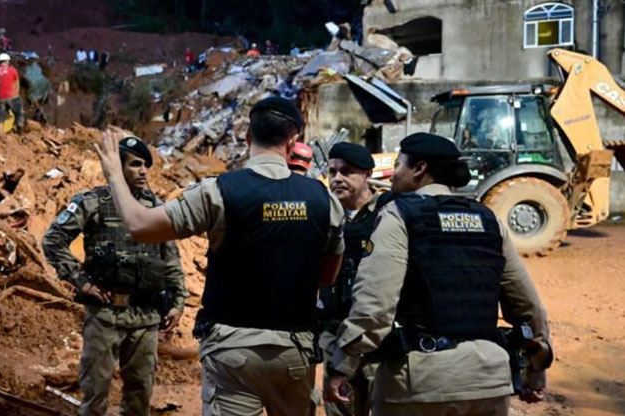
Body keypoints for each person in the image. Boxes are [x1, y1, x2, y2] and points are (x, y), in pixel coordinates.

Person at [94, 96, 346, 416]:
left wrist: (115, 174)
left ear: (248, 138)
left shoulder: (218, 192)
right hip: (295, 351)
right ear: (293, 141)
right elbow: (326, 277)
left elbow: (140, 225)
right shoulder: (324, 200)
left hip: (233, 350)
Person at [323, 133, 553, 415]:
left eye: (398, 165)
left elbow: (375, 305)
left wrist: (342, 365)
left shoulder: (399, 214)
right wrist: (537, 367)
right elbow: (529, 307)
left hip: (419, 383)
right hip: (489, 382)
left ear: (419, 169)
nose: (393, 175)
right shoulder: (489, 219)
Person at [42, 137, 188, 416]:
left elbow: (170, 259)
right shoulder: (93, 202)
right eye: (135, 165)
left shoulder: (157, 208)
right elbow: (53, 241)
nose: (143, 170)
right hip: (105, 316)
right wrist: (81, 281)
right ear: (118, 169)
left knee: (139, 395)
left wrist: (177, 301)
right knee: (95, 394)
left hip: (146, 316)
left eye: (146, 165)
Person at [317, 142, 384, 416]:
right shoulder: (324, 214)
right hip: (335, 335)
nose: (337, 179)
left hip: (376, 338)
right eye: (332, 171)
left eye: (347, 172)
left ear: (367, 174)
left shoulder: (390, 213)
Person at [0, 53, 23, 135]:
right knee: (19, 114)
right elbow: (17, 82)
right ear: (7, 61)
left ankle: (0, 134)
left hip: (1, 98)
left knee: (0, 118)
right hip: (12, 96)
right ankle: (19, 131)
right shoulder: (12, 70)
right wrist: (16, 94)